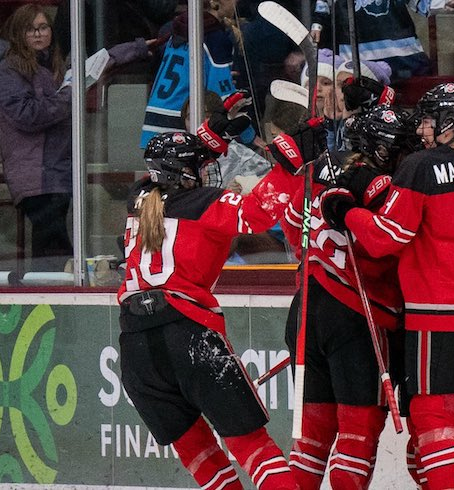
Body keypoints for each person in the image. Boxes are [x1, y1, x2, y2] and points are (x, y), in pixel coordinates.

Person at [117, 107, 322, 489]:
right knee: (253, 448)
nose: (209, 173)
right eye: (201, 167)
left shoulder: (140, 198)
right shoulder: (205, 204)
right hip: (189, 336)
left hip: (135, 347)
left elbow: (172, 165)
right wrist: (290, 165)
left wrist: (212, 137)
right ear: (185, 176)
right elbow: (260, 213)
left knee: (203, 459)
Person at [322, 83, 454, 490]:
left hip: (440, 312)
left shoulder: (422, 167)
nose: (423, 128)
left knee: (431, 416)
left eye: (430, 119)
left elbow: (385, 238)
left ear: (452, 122)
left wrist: (346, 211)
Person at [279, 106, 416, 490]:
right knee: (357, 435)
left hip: (307, 306)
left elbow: (292, 227)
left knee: (311, 438)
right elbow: (392, 245)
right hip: (358, 316)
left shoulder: (320, 176)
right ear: (387, 151)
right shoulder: (388, 186)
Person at [0, 4, 150, 271]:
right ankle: (50, 292)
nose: (39, 34)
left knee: (53, 242)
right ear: (19, 34)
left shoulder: (51, 65)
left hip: (57, 168)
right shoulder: (9, 70)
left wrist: (137, 47)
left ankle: (52, 287)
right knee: (52, 243)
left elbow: (101, 61)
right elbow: (28, 115)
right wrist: (69, 95)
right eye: (31, 30)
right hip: (34, 171)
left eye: (43, 28)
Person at [139, 1, 256, 148]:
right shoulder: (215, 38)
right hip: (180, 127)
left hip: (152, 125)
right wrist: (249, 136)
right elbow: (224, 97)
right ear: (215, 2)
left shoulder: (181, 31)